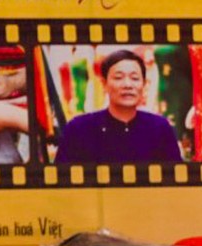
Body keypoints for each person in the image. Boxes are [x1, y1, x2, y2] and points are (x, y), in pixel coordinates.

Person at [55, 48, 183, 164]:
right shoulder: (78, 129)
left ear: (144, 85)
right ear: (104, 84)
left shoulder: (160, 128)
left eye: (134, 78)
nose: (127, 84)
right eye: (118, 77)